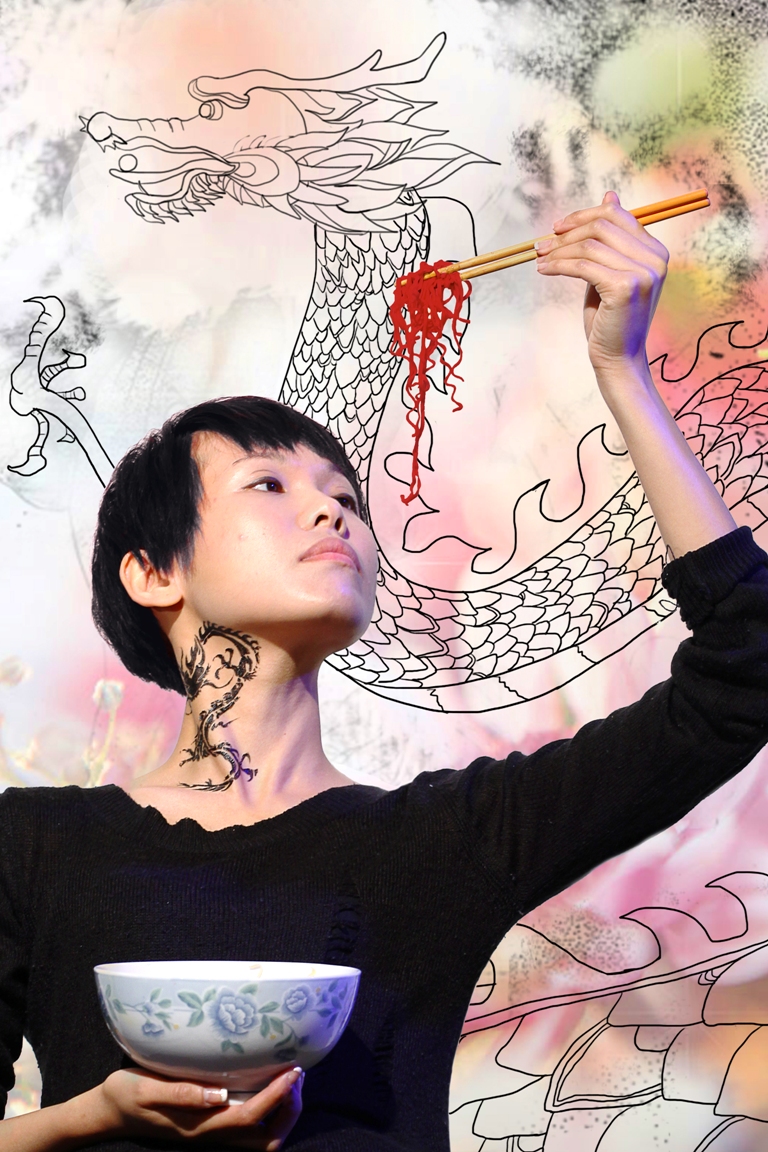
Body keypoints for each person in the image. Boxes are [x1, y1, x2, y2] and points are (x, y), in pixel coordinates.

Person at [2, 192, 767, 1152]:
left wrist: (623, 371)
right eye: (268, 484)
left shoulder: (445, 842)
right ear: (154, 573)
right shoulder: (32, 847)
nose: (332, 513)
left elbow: (744, 667)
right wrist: (90, 1119)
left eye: (347, 499)